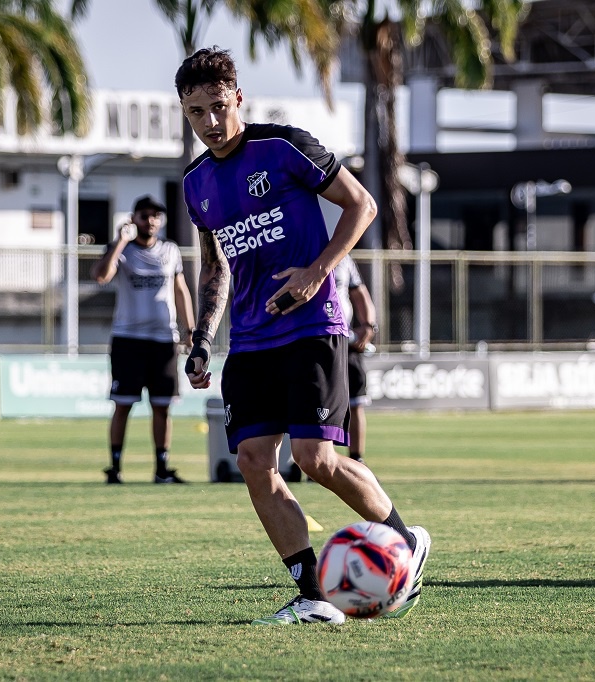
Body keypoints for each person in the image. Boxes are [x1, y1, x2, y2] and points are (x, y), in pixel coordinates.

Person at [177, 46, 430, 625]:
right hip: (249, 340)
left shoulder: (285, 145)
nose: (210, 122)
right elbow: (213, 265)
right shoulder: (196, 182)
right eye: (196, 113)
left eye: (218, 106)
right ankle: (314, 594)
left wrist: (318, 271)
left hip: (312, 327)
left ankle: (403, 541)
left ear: (237, 97)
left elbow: (361, 205)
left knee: (316, 458)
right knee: (251, 461)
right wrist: (199, 339)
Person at [91, 194, 195, 485]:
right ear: (133, 218)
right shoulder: (122, 250)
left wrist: (189, 331)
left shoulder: (170, 250)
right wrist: (120, 242)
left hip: (164, 340)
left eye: (155, 216)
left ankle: (162, 469)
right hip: (128, 339)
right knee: (123, 404)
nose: (150, 221)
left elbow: (180, 290)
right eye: (144, 215)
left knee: (162, 405)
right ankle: (114, 467)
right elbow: (101, 276)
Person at [333, 254, 378, 464]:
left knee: (356, 401)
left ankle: (357, 457)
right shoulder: (302, 246)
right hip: (314, 340)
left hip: (346, 341)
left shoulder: (344, 257)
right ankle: (318, 457)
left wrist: (368, 325)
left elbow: (359, 291)